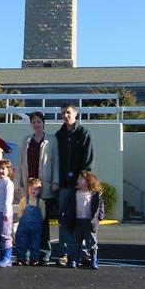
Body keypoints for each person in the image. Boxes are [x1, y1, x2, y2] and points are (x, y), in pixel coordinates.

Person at [15, 111, 59, 265]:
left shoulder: (52, 140)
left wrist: (55, 181)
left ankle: (44, 255)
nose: (36, 124)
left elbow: (56, 163)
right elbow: (20, 164)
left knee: (43, 223)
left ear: (43, 123)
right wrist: (18, 184)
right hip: (29, 189)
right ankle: (26, 255)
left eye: (39, 121)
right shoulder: (26, 140)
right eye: (33, 122)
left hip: (44, 187)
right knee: (27, 223)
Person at [55, 103, 94, 267]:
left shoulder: (83, 133)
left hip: (80, 186)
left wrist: (83, 180)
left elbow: (88, 159)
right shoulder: (59, 135)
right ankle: (65, 254)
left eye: (68, 112)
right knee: (64, 220)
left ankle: (83, 253)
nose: (65, 115)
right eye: (63, 113)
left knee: (81, 221)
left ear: (75, 114)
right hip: (64, 185)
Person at [60, 170, 105, 270]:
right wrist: (64, 215)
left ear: (88, 181)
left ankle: (93, 259)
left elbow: (100, 206)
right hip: (77, 222)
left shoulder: (94, 194)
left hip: (89, 223)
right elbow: (66, 205)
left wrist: (100, 217)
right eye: (79, 178)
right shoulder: (74, 193)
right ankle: (74, 260)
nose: (78, 181)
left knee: (92, 243)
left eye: (81, 179)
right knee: (75, 243)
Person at [15, 177, 46, 266]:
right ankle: (21, 258)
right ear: (28, 189)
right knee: (21, 242)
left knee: (35, 243)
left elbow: (43, 214)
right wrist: (20, 217)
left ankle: (34, 259)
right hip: (23, 227)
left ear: (39, 191)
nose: (33, 191)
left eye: (36, 189)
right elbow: (20, 210)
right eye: (31, 188)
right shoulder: (24, 200)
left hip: (36, 228)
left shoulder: (40, 202)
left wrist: (40, 219)